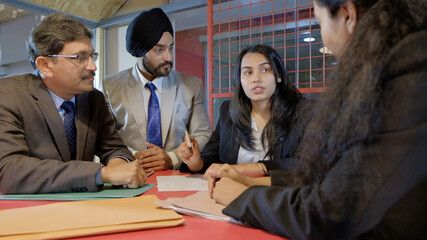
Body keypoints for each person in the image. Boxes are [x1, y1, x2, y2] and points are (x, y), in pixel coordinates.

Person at [208, 0, 427, 239]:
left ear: (347, 15)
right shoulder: (402, 67)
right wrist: (246, 183)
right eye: (247, 72)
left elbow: (330, 211)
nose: (255, 79)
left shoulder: (406, 78)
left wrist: (244, 196)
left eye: (319, 22)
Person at [0, 13, 148, 194]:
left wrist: (118, 165)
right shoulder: (8, 95)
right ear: (45, 65)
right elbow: (9, 171)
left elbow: (115, 148)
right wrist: (102, 173)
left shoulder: (94, 99)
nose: (93, 66)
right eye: (80, 57)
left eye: (92, 56)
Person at [101, 8, 211, 172]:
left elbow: (202, 134)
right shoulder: (110, 86)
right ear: (140, 52)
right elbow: (105, 137)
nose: (169, 57)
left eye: (171, 48)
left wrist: (171, 158)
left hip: (177, 177)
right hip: (128, 175)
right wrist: (133, 156)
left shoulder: (191, 86)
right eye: (159, 50)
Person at [178, 45, 303, 186]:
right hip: (231, 196)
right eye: (247, 72)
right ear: (240, 80)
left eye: (265, 70)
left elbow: (306, 163)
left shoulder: (303, 111)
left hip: (279, 198)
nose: (256, 78)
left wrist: (245, 169)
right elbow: (212, 158)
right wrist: (196, 163)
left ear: (279, 76)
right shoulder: (229, 111)